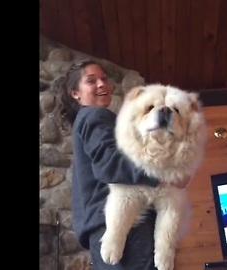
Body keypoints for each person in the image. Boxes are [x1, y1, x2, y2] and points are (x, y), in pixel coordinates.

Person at [59, 58, 190, 270]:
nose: (102, 84)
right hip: (126, 225)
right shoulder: (95, 115)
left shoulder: (85, 121)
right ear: (76, 93)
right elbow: (110, 164)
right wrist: (166, 174)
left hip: (103, 227)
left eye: (103, 78)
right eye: (91, 81)